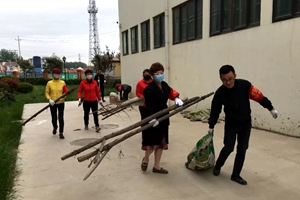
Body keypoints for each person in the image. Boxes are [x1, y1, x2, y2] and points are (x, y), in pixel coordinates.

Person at [208, 65, 278, 185]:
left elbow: (259, 97)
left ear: (235, 75)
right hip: (231, 124)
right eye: (224, 80)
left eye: (230, 78)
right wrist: (211, 125)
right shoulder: (220, 93)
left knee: (242, 149)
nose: (228, 82)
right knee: (228, 147)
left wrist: (271, 108)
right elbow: (215, 110)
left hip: (245, 124)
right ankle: (218, 166)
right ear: (220, 79)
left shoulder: (245, 86)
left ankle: (236, 175)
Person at [141, 62, 184, 174]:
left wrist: (176, 99)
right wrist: (151, 119)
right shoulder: (149, 89)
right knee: (152, 144)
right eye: (157, 73)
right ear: (152, 75)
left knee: (161, 143)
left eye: (161, 73)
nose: (160, 75)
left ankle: (157, 166)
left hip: (164, 116)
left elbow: (171, 92)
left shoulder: (164, 85)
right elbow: (148, 106)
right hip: (153, 116)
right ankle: (146, 159)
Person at [45, 68, 68, 139]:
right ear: (53, 75)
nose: (57, 75)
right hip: (53, 103)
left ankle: (61, 132)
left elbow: (66, 92)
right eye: (55, 74)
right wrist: (49, 99)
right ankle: (55, 127)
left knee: (61, 118)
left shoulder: (62, 82)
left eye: (58, 74)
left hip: (61, 103)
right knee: (54, 118)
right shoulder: (49, 83)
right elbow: (46, 92)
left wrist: (63, 97)